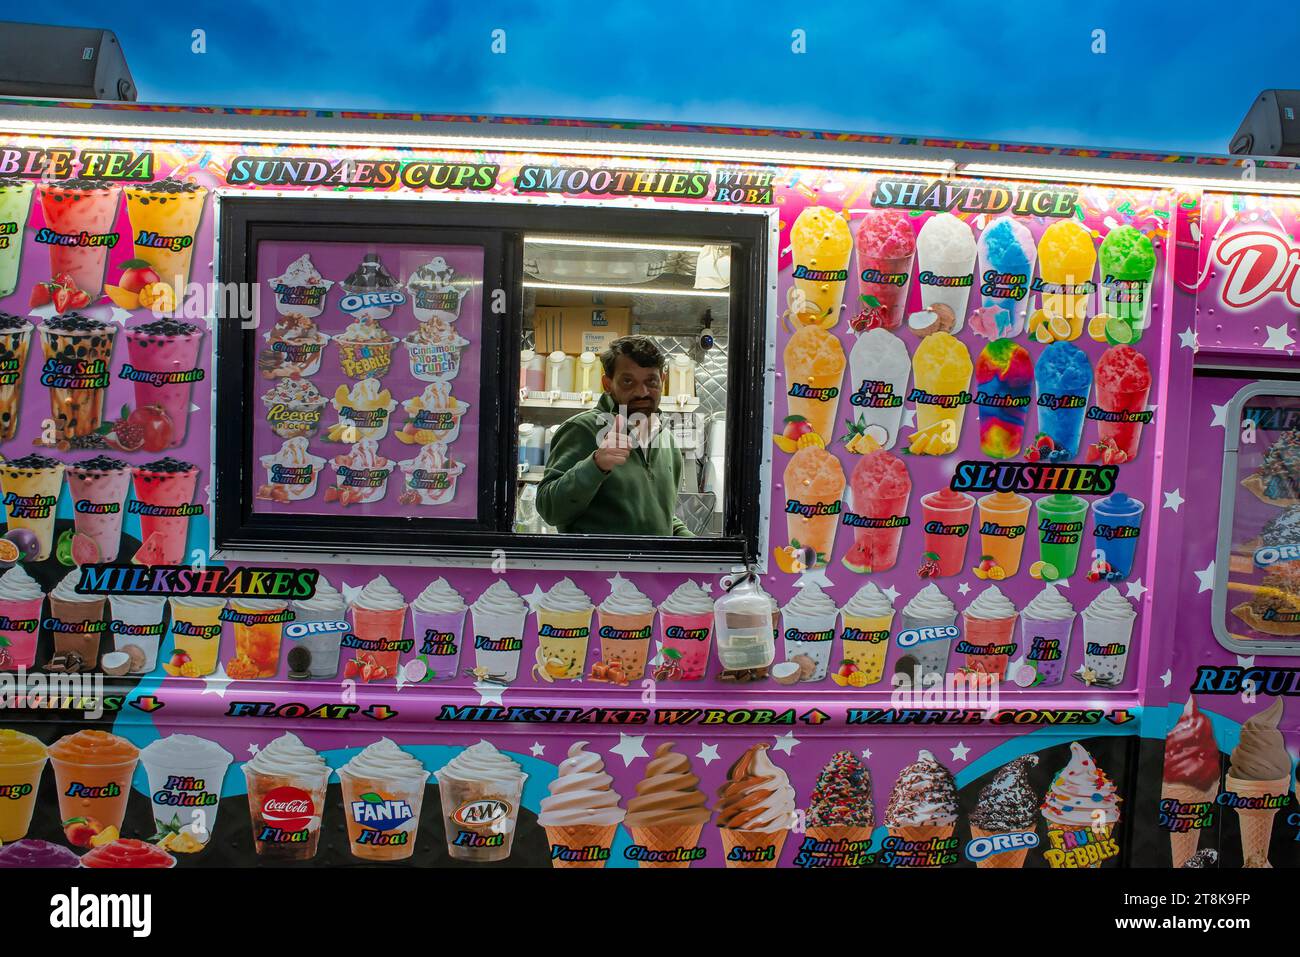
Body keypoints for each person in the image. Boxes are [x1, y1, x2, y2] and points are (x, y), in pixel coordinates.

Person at [536, 335, 692, 536]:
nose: (642, 392)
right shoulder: (582, 429)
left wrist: (700, 548)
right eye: (628, 381)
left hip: (653, 567)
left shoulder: (667, 441)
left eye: (651, 381)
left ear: (662, 380)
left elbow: (662, 517)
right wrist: (595, 465)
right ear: (607, 384)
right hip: (599, 565)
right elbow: (549, 509)